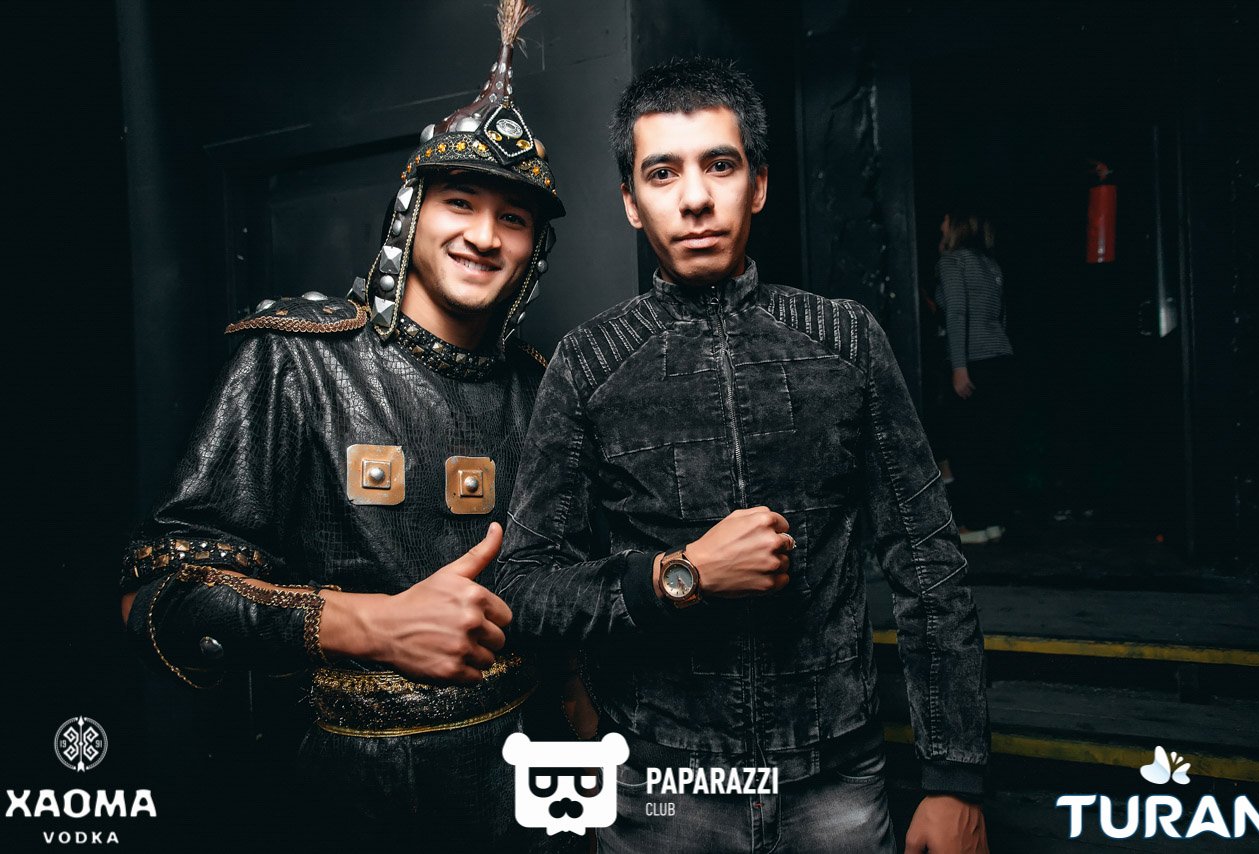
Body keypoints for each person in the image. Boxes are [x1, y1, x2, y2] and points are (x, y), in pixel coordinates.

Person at [496, 57, 989, 854]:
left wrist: (954, 779)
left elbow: (927, 560)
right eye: (663, 173)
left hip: (835, 781)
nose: (694, 197)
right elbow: (524, 590)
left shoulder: (845, 338)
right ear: (630, 202)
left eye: (719, 165)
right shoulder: (589, 362)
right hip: (661, 789)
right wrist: (680, 574)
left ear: (758, 185)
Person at [118, 2, 569, 850]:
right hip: (345, 801)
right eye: (460, 202)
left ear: (533, 249)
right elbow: (160, 595)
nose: (483, 236)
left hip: (525, 791)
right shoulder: (296, 360)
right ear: (411, 211)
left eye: (513, 218)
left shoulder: (543, 389)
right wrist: (370, 626)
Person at [935, 209, 1015, 544]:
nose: (940, 224)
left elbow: (956, 313)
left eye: (944, 219)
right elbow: (1000, 315)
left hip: (973, 361)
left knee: (966, 445)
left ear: (956, 225)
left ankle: (975, 524)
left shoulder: (953, 261)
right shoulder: (990, 264)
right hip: (1000, 357)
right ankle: (994, 521)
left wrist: (959, 366)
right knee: (992, 444)